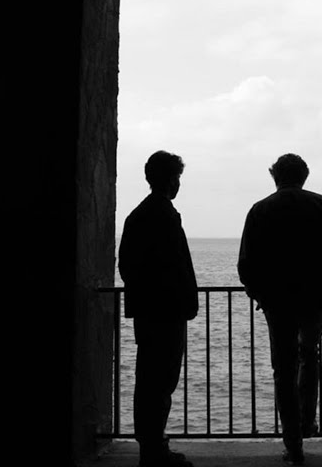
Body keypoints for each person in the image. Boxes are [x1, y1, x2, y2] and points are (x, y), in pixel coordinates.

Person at [238, 154, 322, 466]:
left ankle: (293, 443)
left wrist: (260, 294)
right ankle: (306, 422)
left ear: (274, 176)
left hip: (277, 301)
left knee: (284, 369)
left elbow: (246, 264)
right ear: (304, 176)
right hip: (315, 298)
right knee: (309, 353)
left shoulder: (260, 209)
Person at [118, 151, 199, 467]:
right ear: (170, 179)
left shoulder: (137, 215)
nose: (179, 183)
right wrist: (184, 301)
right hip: (167, 311)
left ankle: (150, 447)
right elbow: (177, 265)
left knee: (148, 379)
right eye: (177, 177)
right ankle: (155, 451)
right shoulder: (165, 215)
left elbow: (127, 266)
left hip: (147, 311)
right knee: (162, 381)